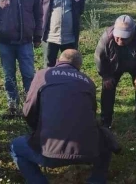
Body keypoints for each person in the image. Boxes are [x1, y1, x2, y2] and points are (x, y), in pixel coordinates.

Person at [11, 49, 117, 184]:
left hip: (48, 152)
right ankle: (96, 180)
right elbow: (91, 115)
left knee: (16, 147)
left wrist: (37, 130)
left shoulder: (43, 75)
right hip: (87, 152)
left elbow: (28, 111)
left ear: (58, 61)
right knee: (107, 141)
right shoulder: (88, 82)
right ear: (79, 66)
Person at [94, 15, 136, 135]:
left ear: (132, 33)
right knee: (107, 88)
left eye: (124, 38)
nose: (119, 40)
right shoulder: (107, 37)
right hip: (113, 65)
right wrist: (106, 76)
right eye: (117, 36)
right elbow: (99, 58)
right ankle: (105, 122)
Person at [39, 0, 86, 67]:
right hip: (50, 37)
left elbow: (81, 10)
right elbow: (37, 9)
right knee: (48, 67)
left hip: (70, 38)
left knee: (71, 66)